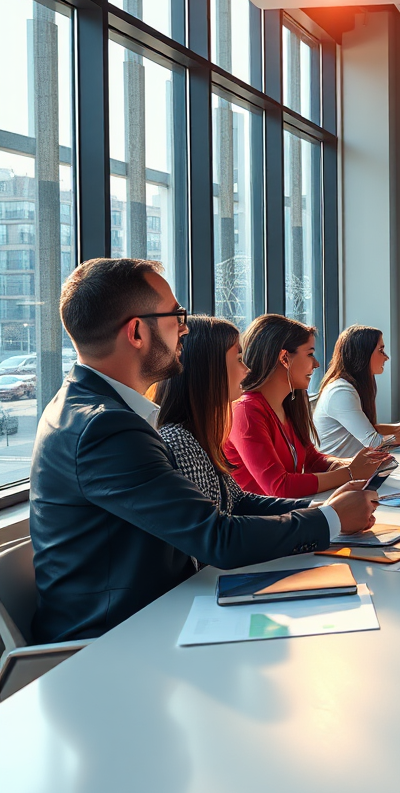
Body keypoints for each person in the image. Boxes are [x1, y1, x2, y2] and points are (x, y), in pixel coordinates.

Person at [30, 259, 377, 643]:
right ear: (136, 332)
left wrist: (322, 511)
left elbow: (232, 504)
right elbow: (218, 539)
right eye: (176, 315)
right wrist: (330, 519)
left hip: (152, 616)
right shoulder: (106, 427)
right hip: (115, 642)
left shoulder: (90, 408)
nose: (184, 328)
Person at [156, 315, 372, 517]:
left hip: (273, 522)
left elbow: (239, 500)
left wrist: (329, 506)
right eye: (239, 360)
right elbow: (275, 489)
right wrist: (348, 476)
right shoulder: (234, 416)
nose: (246, 370)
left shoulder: (286, 406)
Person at [226, 314, 389, 498]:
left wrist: (355, 465)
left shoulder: (289, 403)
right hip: (261, 521)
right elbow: (280, 487)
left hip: (288, 513)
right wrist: (351, 473)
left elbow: (313, 460)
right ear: (284, 358)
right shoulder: (246, 411)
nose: (317, 364)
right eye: (310, 354)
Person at [314, 325, 400, 457]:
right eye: (381, 350)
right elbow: (374, 443)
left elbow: (370, 428)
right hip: (341, 472)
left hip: (355, 467)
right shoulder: (340, 392)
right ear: (363, 354)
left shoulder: (353, 386)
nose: (386, 357)